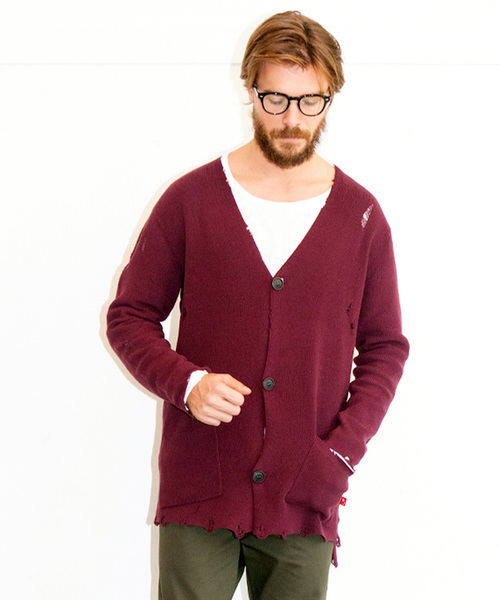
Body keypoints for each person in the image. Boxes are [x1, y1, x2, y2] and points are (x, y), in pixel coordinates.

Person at [106, 10, 409, 600]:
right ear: (250, 89)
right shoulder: (191, 200)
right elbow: (130, 316)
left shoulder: (360, 217)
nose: (292, 119)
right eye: (275, 99)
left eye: (310, 101)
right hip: (201, 485)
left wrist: (340, 456)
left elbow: (385, 348)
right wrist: (187, 383)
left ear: (331, 96)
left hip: (306, 494)